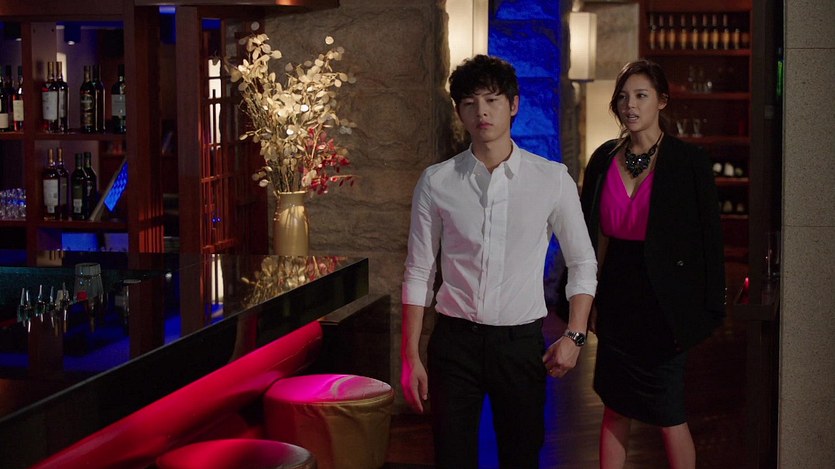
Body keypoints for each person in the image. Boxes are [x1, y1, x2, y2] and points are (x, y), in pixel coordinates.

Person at [400, 54, 598, 469]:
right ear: (459, 111)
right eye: (469, 103)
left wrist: (575, 336)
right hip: (454, 344)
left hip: (519, 345)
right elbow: (419, 270)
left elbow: (582, 262)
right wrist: (409, 355)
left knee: (521, 458)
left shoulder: (551, 179)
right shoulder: (436, 181)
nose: (482, 112)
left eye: (492, 100)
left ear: (514, 104)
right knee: (451, 459)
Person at [580, 59, 726, 469]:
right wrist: (587, 300)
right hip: (616, 297)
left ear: (661, 100)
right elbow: (591, 237)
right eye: (623, 97)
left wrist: (707, 310)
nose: (630, 105)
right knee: (614, 406)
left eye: (641, 96)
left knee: (669, 414)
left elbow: (709, 244)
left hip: (665, 304)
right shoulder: (603, 159)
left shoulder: (689, 161)